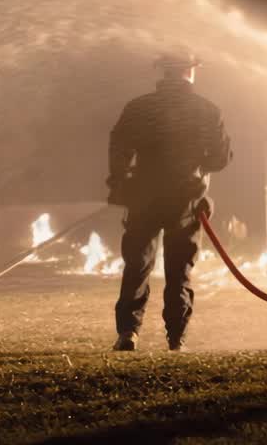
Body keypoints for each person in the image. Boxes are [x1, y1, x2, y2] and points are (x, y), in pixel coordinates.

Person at [107, 52, 232, 352]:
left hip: (143, 197)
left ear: (162, 72)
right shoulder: (207, 110)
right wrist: (196, 164)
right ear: (190, 71)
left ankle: (128, 332)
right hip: (185, 202)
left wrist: (120, 182)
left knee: (137, 265)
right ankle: (176, 338)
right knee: (179, 270)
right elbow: (219, 159)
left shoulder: (138, 107)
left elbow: (119, 146)